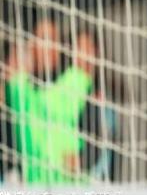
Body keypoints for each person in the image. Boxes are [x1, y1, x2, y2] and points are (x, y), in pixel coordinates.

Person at [5, 20, 94, 184]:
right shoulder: (18, 91)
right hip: (33, 189)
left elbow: (99, 135)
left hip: (72, 189)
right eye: (42, 38)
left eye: (52, 39)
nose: (48, 46)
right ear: (31, 45)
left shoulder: (76, 83)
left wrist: (82, 159)